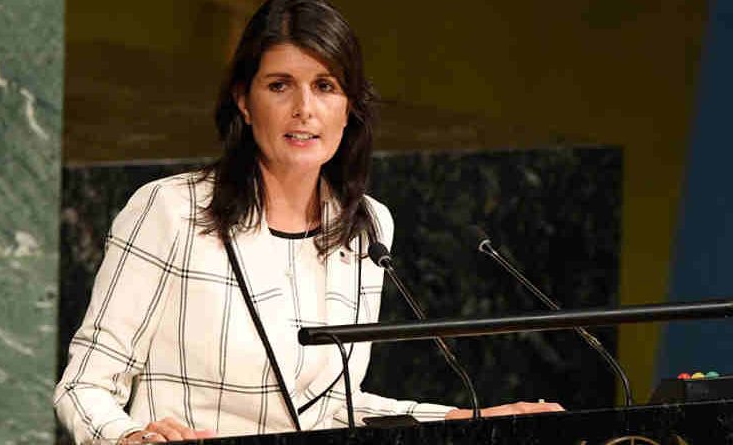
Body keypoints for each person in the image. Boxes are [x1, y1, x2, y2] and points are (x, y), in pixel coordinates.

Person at [54, 1, 562, 443]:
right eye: (280, 86)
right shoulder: (170, 211)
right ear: (244, 102)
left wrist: (463, 419)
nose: (304, 109)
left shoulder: (366, 224)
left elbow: (328, 409)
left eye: (325, 86)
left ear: (349, 107)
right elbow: (84, 386)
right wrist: (129, 437)